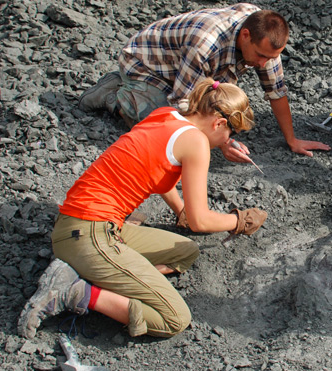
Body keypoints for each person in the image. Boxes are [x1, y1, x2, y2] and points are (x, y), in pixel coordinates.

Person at [19, 79, 268, 339]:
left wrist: (180, 209)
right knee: (174, 318)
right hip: (89, 233)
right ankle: (76, 291)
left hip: (84, 224)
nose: (228, 141)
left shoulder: (166, 115)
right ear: (219, 123)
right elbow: (201, 222)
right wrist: (239, 220)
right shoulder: (196, 142)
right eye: (232, 134)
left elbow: (155, 170)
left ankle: (97, 274)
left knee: (186, 251)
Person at [79, 3, 330, 163]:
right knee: (160, 129)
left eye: (272, 58)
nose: (265, 64)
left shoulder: (265, 34)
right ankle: (117, 95)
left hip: (186, 68)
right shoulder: (205, 44)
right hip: (149, 65)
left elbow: (276, 91)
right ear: (245, 36)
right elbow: (184, 104)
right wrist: (223, 142)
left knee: (225, 117)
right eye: (262, 56)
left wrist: (292, 139)